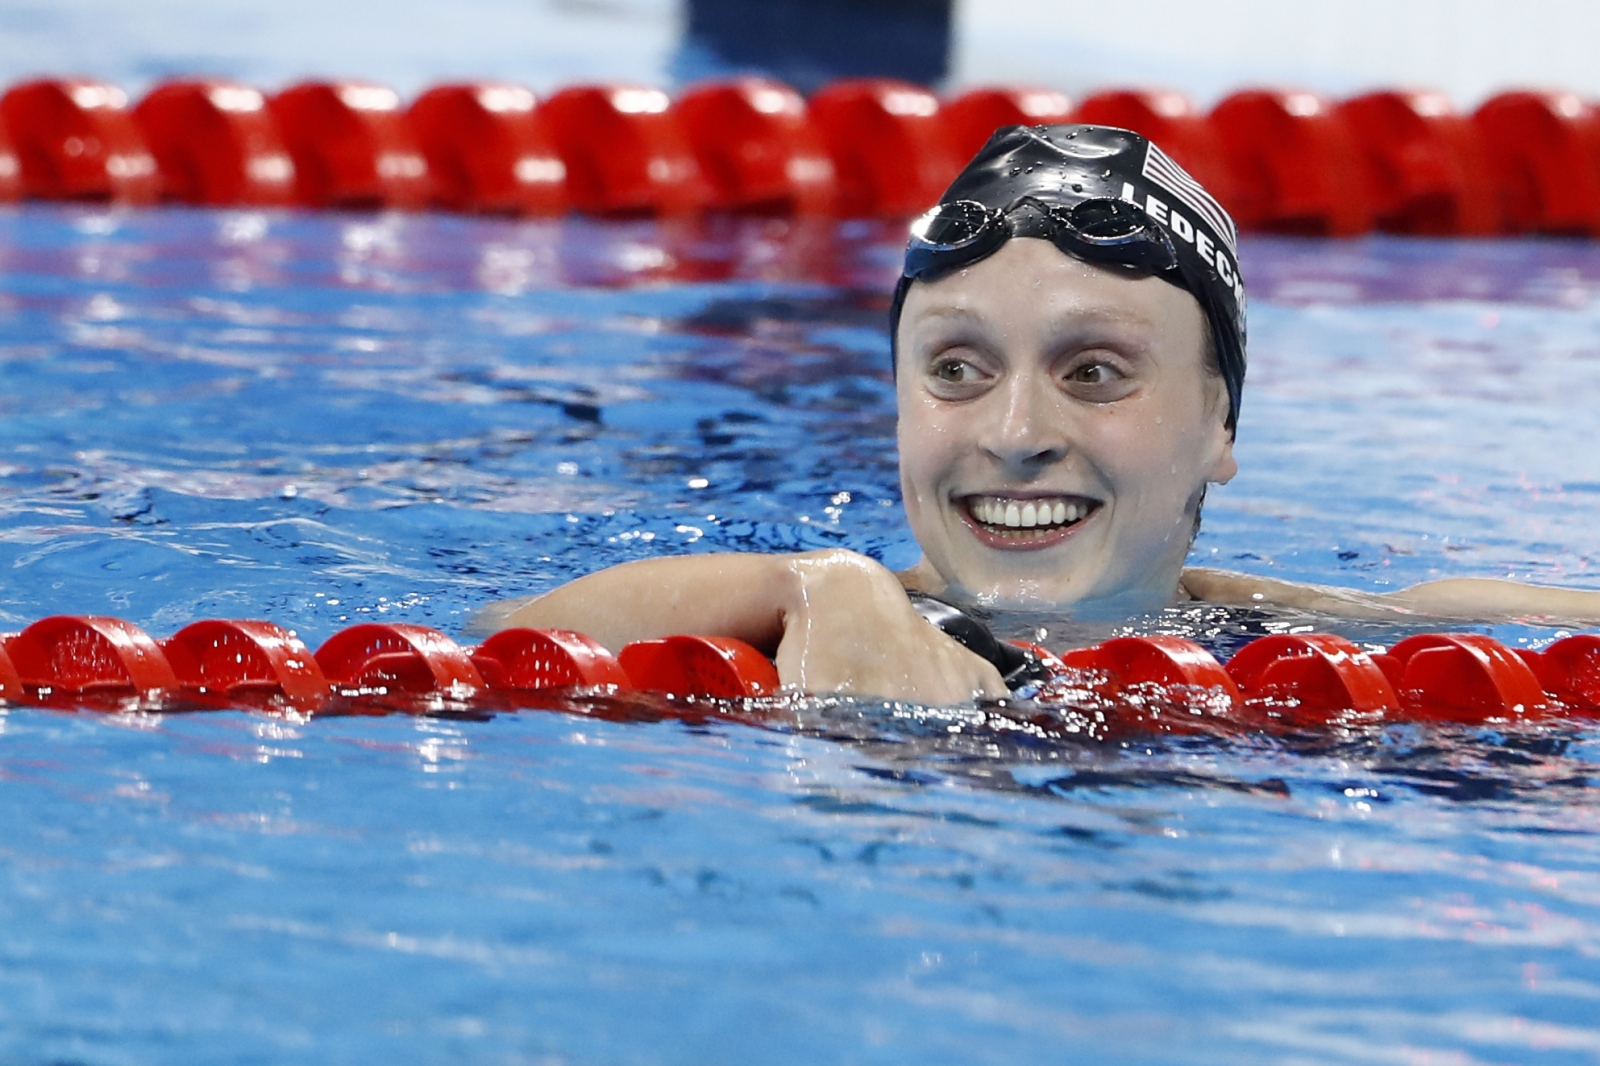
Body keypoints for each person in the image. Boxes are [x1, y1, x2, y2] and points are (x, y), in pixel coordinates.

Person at [488, 124, 1600, 702]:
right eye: (956, 370)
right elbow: (502, 640)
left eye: (1095, 372)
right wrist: (810, 581)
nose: (1013, 432)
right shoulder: (812, 614)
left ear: (1221, 426)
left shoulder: (1311, 639)